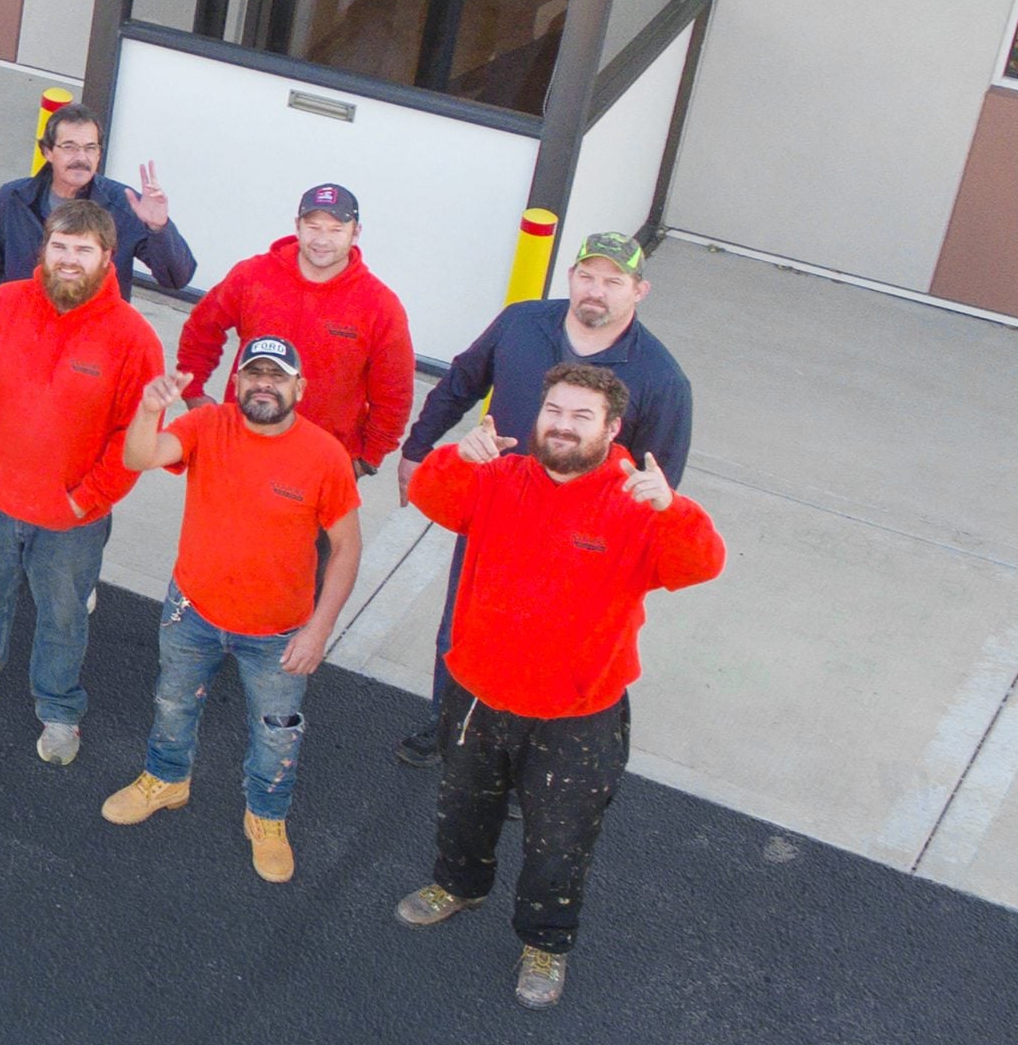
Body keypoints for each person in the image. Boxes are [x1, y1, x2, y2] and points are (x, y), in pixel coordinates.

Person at [394, 364, 723, 1010]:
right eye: (554, 410)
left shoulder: (635, 501)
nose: (563, 425)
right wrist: (459, 455)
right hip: (478, 695)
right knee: (463, 810)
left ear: (612, 428)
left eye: (581, 416)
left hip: (578, 715)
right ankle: (458, 885)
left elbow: (700, 564)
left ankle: (546, 942)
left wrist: (673, 508)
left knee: (560, 843)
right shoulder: (496, 474)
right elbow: (433, 498)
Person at [392, 230, 694, 768]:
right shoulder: (521, 323)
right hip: (496, 514)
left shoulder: (662, 380)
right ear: (571, 278)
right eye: (586, 276)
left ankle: (525, 760)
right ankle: (450, 728)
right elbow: (461, 381)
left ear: (639, 291)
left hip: (580, 542)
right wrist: (418, 447)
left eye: (612, 281)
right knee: (461, 627)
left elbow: (658, 486)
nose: (595, 291)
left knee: (552, 647)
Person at [0, 200, 162, 767]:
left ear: (106, 258)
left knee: (64, 614)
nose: (69, 260)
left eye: (83, 250)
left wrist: (85, 500)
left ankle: (58, 707)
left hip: (71, 518)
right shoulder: (0, 305)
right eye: (60, 247)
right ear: (43, 250)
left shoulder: (133, 338)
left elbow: (134, 440)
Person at [108, 338, 362, 884]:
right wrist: (150, 410)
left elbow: (347, 547)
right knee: (173, 703)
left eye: (277, 375)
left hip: (277, 632)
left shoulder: (324, 455)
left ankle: (267, 816)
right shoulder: (207, 426)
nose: (263, 384)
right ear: (237, 382)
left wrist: (318, 631)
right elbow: (139, 458)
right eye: (253, 374)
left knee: (276, 731)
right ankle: (166, 778)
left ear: (300, 388)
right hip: (191, 611)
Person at [175, 183, 413, 482]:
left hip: (322, 467)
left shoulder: (380, 305)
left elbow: (395, 390)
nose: (322, 240)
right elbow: (201, 329)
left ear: (356, 232)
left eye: (336, 229)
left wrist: (367, 459)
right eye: (313, 226)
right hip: (241, 448)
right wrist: (193, 390)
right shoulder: (252, 276)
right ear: (297, 226)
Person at [0, 102, 195, 294]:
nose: (81, 158)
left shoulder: (124, 205)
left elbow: (176, 278)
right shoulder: (11, 198)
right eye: (69, 147)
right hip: (26, 326)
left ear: (99, 154)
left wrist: (159, 228)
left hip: (95, 332)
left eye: (90, 148)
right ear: (47, 152)